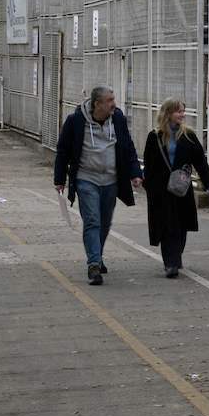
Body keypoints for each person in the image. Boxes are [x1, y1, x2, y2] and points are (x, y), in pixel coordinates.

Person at [53, 85, 143, 285]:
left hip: (111, 180)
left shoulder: (117, 119)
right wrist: (59, 179)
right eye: (110, 100)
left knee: (104, 222)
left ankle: (98, 255)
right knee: (92, 220)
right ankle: (93, 264)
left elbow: (128, 147)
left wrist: (135, 173)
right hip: (86, 179)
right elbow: (63, 151)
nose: (114, 104)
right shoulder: (76, 121)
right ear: (97, 104)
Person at [142, 98, 209, 278]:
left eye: (183, 111)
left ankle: (177, 255)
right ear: (167, 113)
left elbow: (200, 161)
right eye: (178, 111)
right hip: (161, 189)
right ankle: (170, 263)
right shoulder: (155, 136)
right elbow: (149, 164)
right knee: (168, 225)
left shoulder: (188, 135)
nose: (182, 114)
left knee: (181, 224)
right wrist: (148, 186)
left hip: (182, 187)